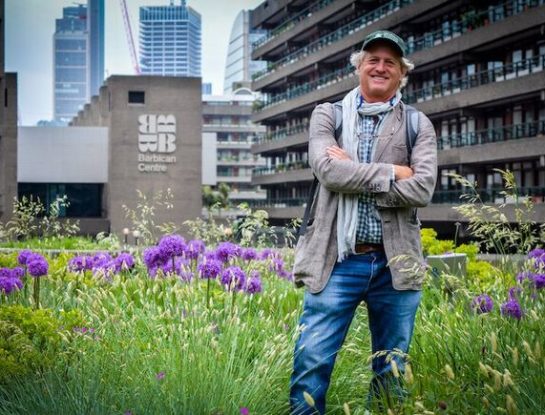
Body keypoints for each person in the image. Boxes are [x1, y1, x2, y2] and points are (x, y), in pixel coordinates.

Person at [290, 30, 438, 414]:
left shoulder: (417, 124)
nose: (380, 67)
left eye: (390, 62)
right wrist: (393, 172)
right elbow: (328, 171)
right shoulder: (329, 115)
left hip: (396, 263)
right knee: (311, 361)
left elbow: (423, 188)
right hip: (336, 260)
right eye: (373, 59)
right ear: (359, 67)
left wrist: (354, 171)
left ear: (402, 73)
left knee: (391, 370)